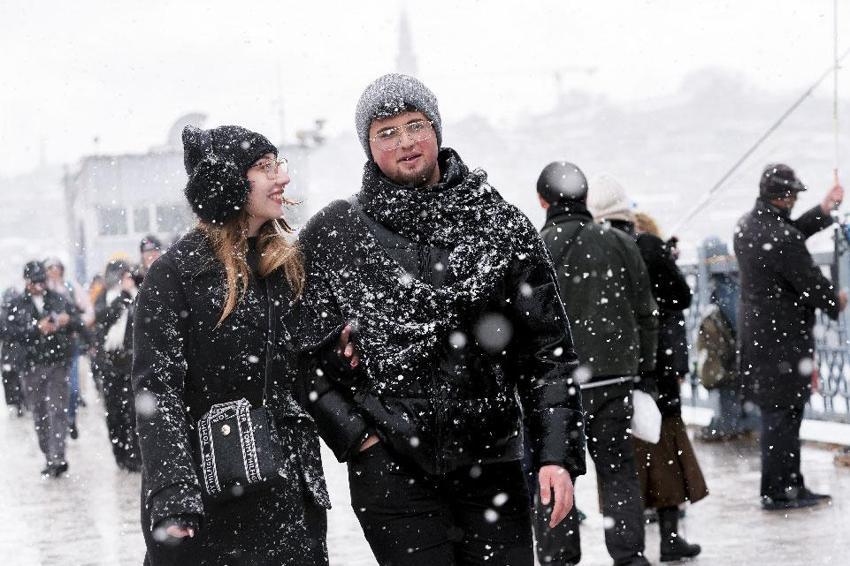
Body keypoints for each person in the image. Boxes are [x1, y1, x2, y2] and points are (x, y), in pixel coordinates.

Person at [299, 74, 586, 566]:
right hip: (389, 466)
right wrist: (356, 437)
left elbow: (547, 352)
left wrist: (557, 456)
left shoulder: (500, 222)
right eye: (386, 132)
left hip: (492, 457)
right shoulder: (335, 233)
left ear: (437, 127)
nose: (406, 142)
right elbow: (301, 354)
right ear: (367, 146)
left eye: (416, 125)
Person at [132, 124, 330, 565]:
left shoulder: (285, 266)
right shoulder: (174, 276)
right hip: (212, 502)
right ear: (226, 184)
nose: (282, 177)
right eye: (265, 167)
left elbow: (312, 375)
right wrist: (174, 492)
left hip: (289, 501)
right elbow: (156, 392)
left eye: (277, 164)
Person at [536, 163, 657, 566]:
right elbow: (646, 311)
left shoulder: (536, 248)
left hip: (555, 388)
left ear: (543, 201)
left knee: (556, 474)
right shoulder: (619, 243)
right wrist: (643, 369)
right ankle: (629, 556)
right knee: (618, 471)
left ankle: (560, 558)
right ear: (585, 199)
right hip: (614, 377)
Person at [735, 163, 846, 511]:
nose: (796, 199)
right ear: (784, 196)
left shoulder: (747, 226)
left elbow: (786, 236)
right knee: (785, 417)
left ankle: (787, 485)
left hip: (759, 336)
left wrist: (824, 211)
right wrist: (836, 299)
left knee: (777, 415)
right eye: (794, 195)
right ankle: (780, 491)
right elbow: (811, 281)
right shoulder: (781, 237)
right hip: (785, 339)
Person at [626, 211, 706, 562]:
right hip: (659, 370)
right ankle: (670, 536)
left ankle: (633, 545)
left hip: (627, 370)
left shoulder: (616, 253)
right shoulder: (649, 251)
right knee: (667, 450)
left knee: (632, 455)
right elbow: (680, 298)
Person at [5, 261, 83, 477]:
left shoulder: (58, 298)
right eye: (35, 282)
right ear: (27, 281)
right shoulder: (15, 304)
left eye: (42, 281)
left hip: (57, 362)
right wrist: (35, 329)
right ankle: (49, 455)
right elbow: (9, 332)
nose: (40, 286)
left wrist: (66, 321)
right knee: (40, 412)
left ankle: (58, 455)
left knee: (58, 409)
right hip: (31, 366)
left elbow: (78, 321)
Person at [697, 236, 761, 441]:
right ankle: (742, 421)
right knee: (736, 369)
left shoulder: (725, 283)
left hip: (736, 342)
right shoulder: (733, 280)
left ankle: (732, 422)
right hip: (744, 341)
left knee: (728, 370)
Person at [94, 259, 141, 471]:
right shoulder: (105, 297)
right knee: (114, 412)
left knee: (133, 412)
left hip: (132, 363)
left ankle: (134, 454)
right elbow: (101, 320)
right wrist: (121, 300)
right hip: (111, 363)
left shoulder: (139, 295)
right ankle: (120, 452)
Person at [44, 256, 93, 439]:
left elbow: (88, 312)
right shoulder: (43, 293)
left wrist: (74, 324)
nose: (54, 272)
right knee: (51, 391)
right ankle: (57, 424)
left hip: (69, 346)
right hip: (47, 349)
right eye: (50, 268)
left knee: (72, 388)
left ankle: (70, 418)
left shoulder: (71, 288)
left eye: (56, 268)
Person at [1, 287, 25, 416]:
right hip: (14, 350)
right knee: (13, 378)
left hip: (12, 350)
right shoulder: (20, 311)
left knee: (11, 378)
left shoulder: (7, 313)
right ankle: (19, 401)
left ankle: (17, 402)